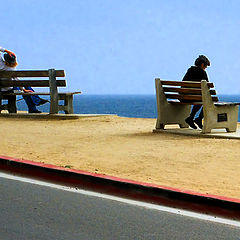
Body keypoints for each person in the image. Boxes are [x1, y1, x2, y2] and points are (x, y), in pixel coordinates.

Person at [0, 47, 48, 113]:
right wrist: (23, 90)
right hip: (9, 89)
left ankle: (35, 102)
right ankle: (36, 102)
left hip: (1, 87)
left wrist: (7, 51)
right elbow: (17, 81)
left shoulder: (1, 65)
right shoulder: (12, 69)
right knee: (25, 88)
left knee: (25, 86)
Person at [182, 55, 210, 129]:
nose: (205, 68)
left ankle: (191, 118)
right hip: (194, 97)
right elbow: (207, 87)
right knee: (206, 100)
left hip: (183, 97)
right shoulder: (202, 73)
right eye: (206, 66)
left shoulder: (190, 70)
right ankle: (199, 118)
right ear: (202, 64)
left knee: (201, 98)